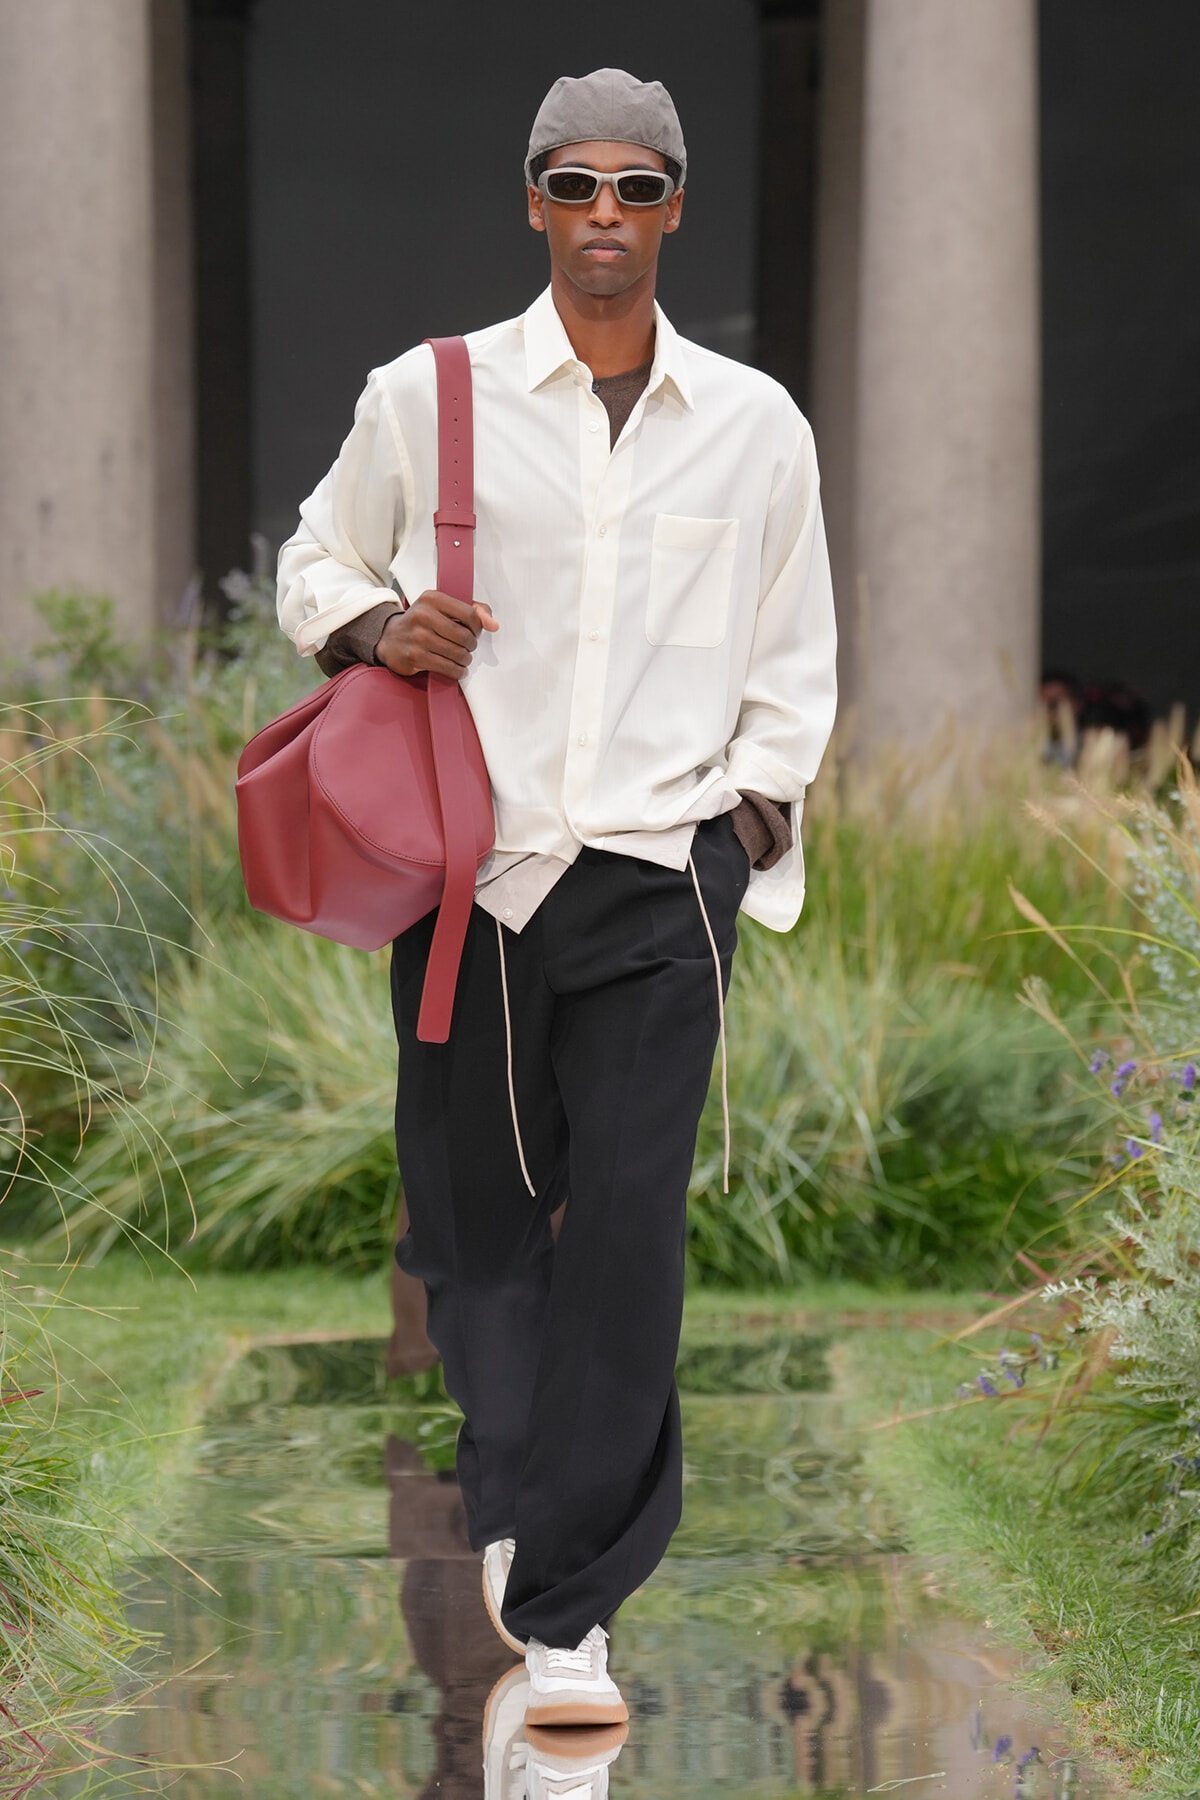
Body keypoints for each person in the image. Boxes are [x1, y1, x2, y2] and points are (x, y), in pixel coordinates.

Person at [277, 67, 837, 1732]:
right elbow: (318, 557)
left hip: (665, 882)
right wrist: (381, 631)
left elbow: (793, 654)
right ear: (533, 202)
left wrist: (742, 823)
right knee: (477, 1246)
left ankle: (576, 1609)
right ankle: (515, 1498)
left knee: (630, 1247)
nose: (606, 215)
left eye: (638, 187)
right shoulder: (429, 395)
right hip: (477, 880)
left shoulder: (756, 426)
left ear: (676, 208)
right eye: (576, 185)